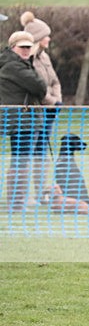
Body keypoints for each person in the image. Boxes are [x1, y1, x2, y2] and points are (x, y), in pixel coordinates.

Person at [0, 31, 47, 212]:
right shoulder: (15, 66)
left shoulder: (15, 63)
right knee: (21, 162)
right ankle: (17, 203)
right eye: (23, 47)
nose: (27, 51)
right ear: (13, 47)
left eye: (29, 47)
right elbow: (40, 87)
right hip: (22, 120)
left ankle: (17, 202)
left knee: (20, 161)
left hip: (18, 118)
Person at [21, 11, 62, 204]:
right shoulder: (27, 59)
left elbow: (54, 81)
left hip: (49, 111)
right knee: (28, 153)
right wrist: (52, 101)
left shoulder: (45, 57)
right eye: (46, 35)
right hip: (34, 112)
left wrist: (57, 102)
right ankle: (26, 196)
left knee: (41, 153)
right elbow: (36, 88)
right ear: (38, 38)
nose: (49, 38)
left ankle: (40, 194)